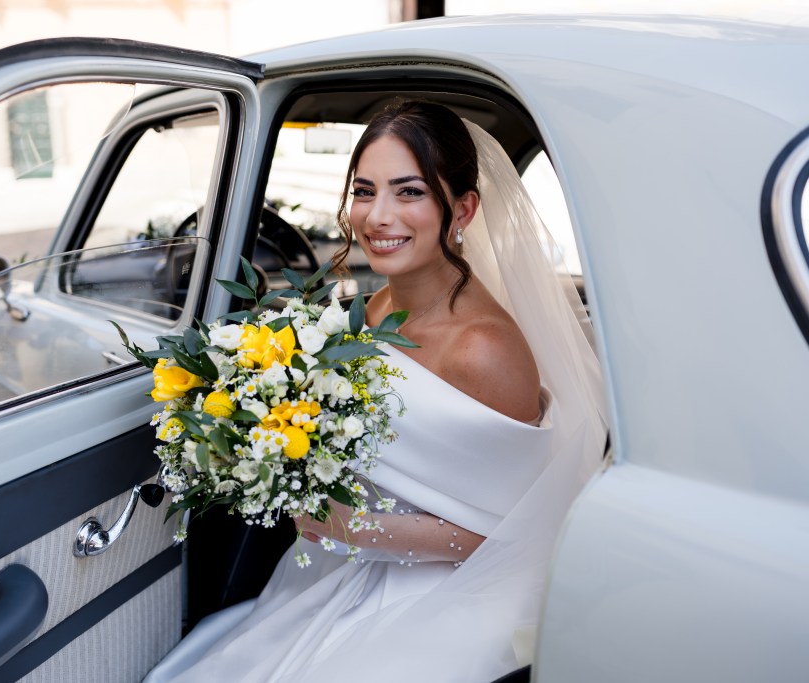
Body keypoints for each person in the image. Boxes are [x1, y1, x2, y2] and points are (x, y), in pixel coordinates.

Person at [144, 100, 606, 683]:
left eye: (409, 192)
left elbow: (521, 535)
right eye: (364, 192)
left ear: (463, 209)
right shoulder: (373, 307)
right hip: (339, 565)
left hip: (441, 592)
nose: (378, 216)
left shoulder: (484, 350)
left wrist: (357, 529)